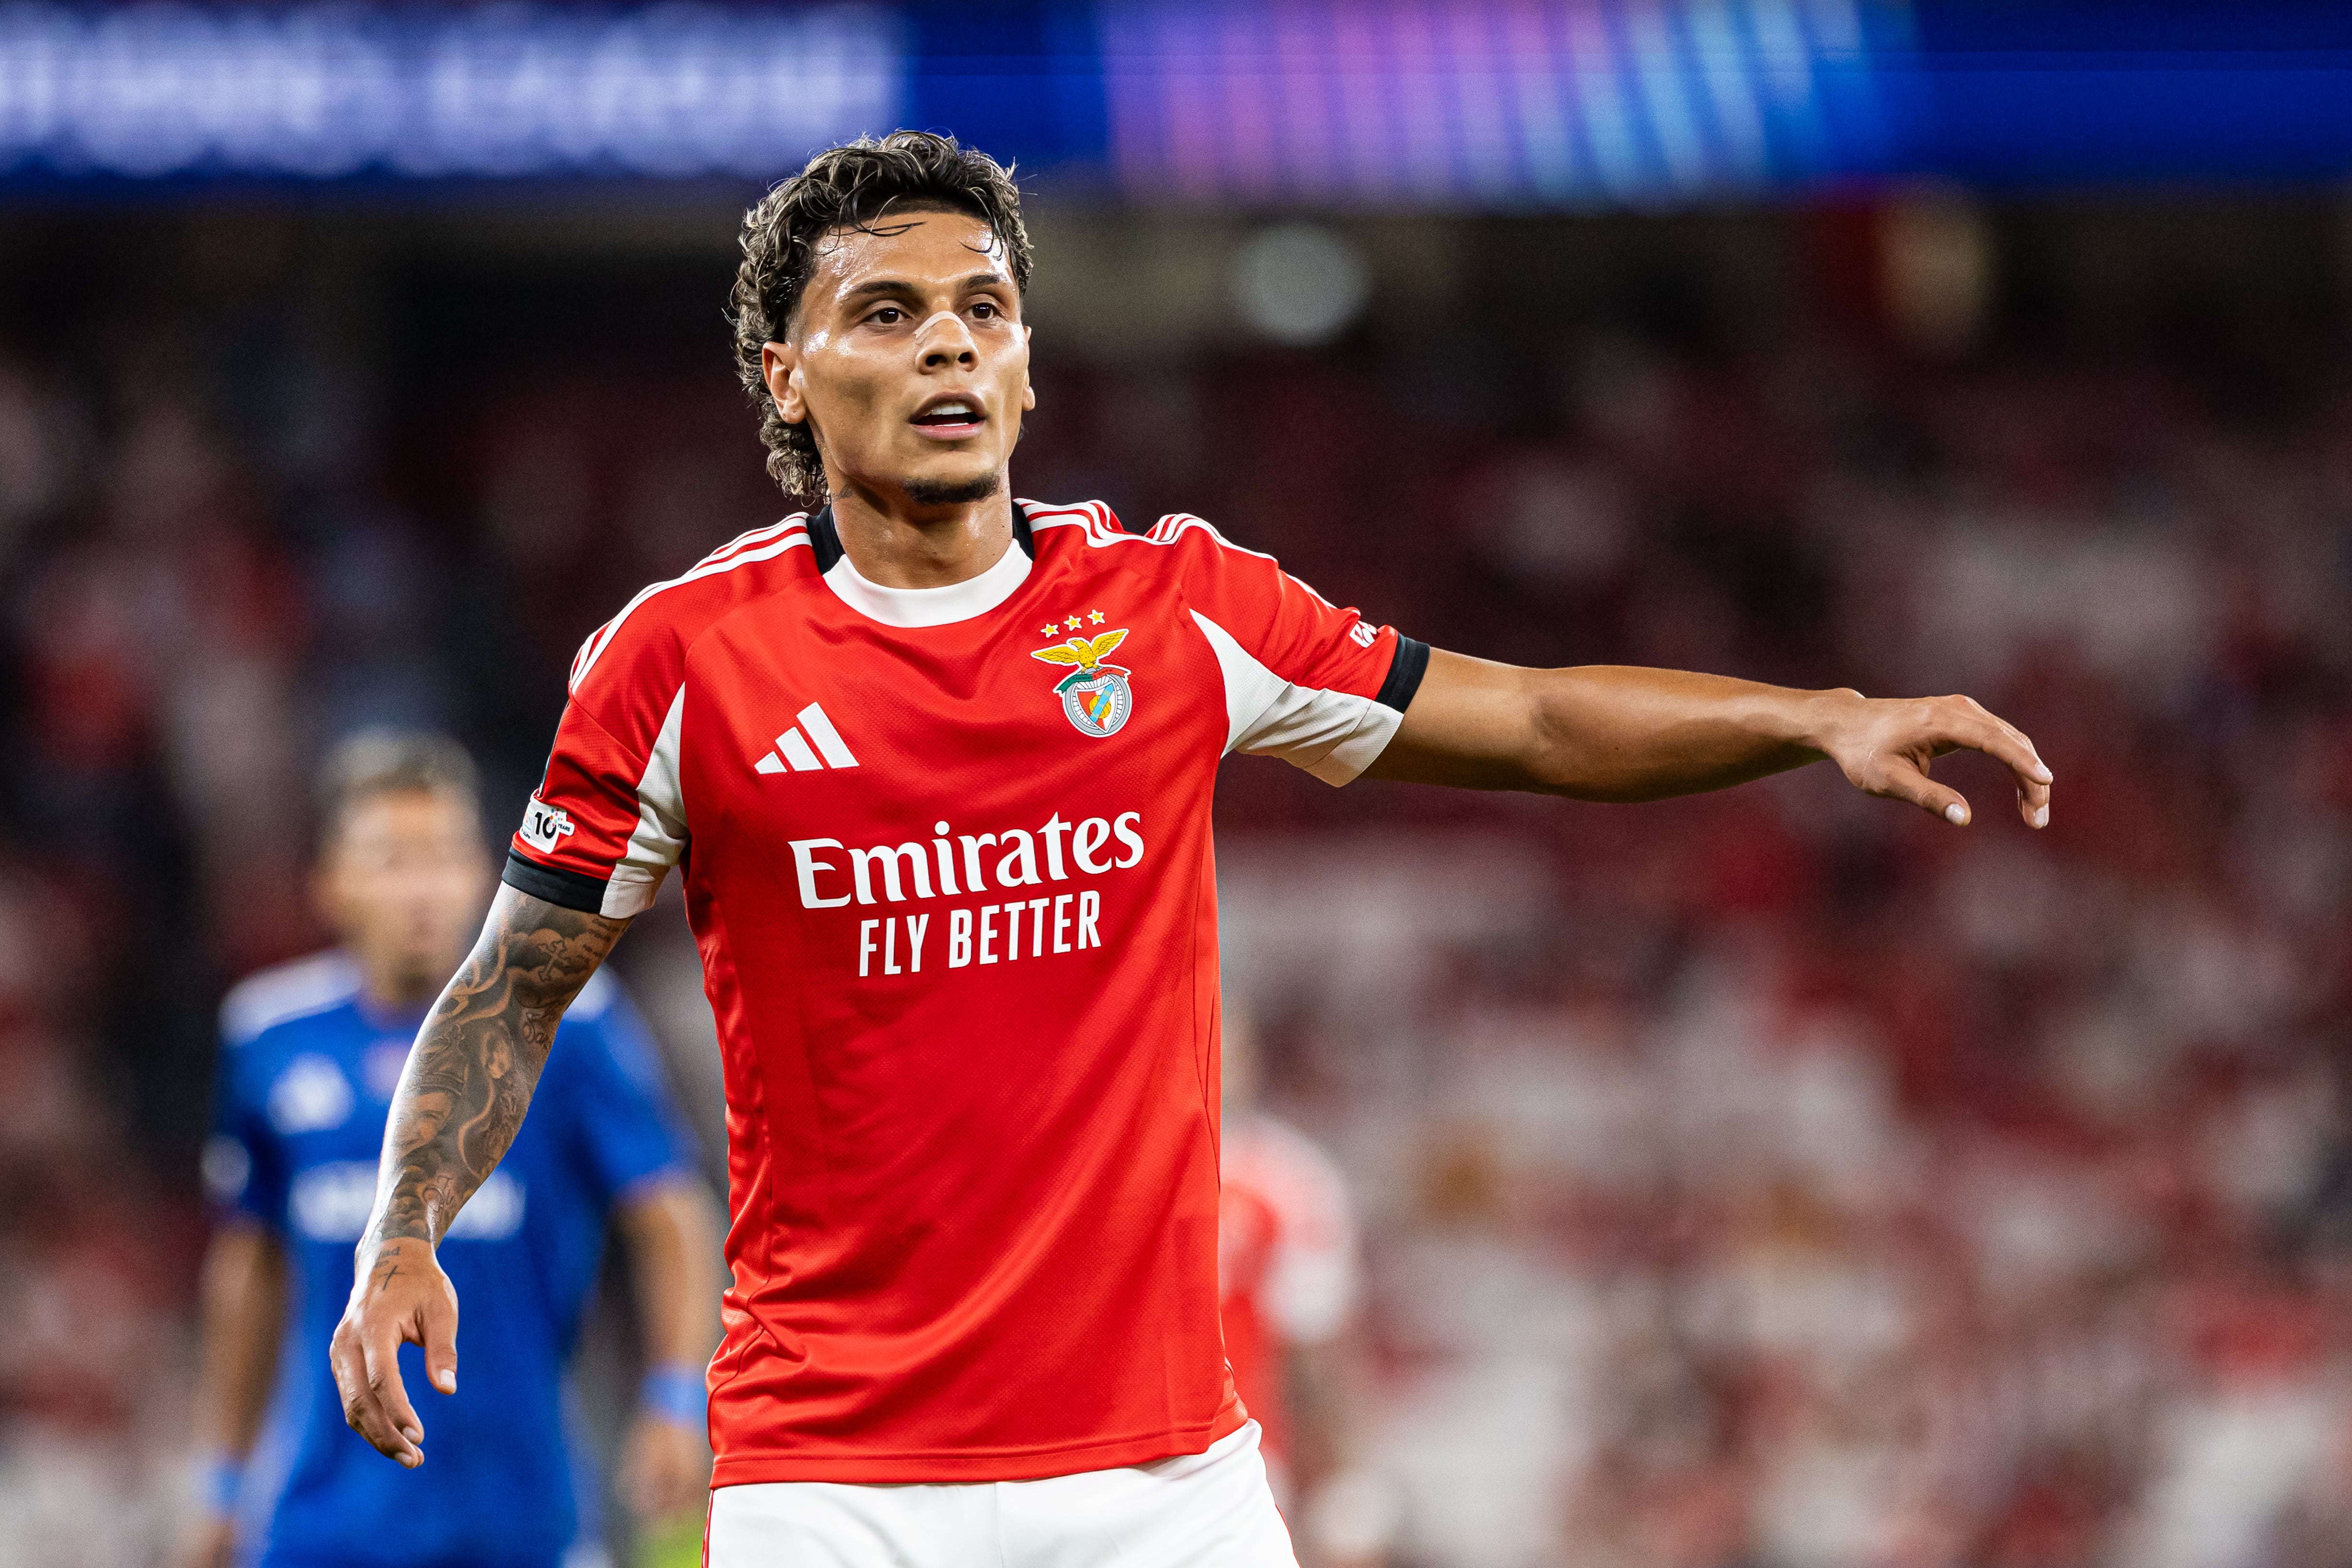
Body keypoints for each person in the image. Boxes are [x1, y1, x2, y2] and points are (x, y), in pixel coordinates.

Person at [328, 132, 2053, 1568]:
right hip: (830, 1475)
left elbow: (1526, 720)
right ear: (785, 371)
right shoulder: (678, 661)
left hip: (1167, 1482)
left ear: (1024, 359)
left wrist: (1812, 711)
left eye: (983, 309)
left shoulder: (1176, 612)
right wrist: (403, 1227)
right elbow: (514, 979)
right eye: (887, 311)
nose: (948, 345)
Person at [191, 731, 720, 1568]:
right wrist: (222, 1475)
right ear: (329, 884)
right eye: (392, 859)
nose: (422, 888)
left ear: (485, 872)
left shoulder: (569, 1029)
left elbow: (669, 1212)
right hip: (320, 1519)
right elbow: (248, 1266)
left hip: (522, 1507)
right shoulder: (269, 1035)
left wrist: (673, 1395)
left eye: (442, 856)